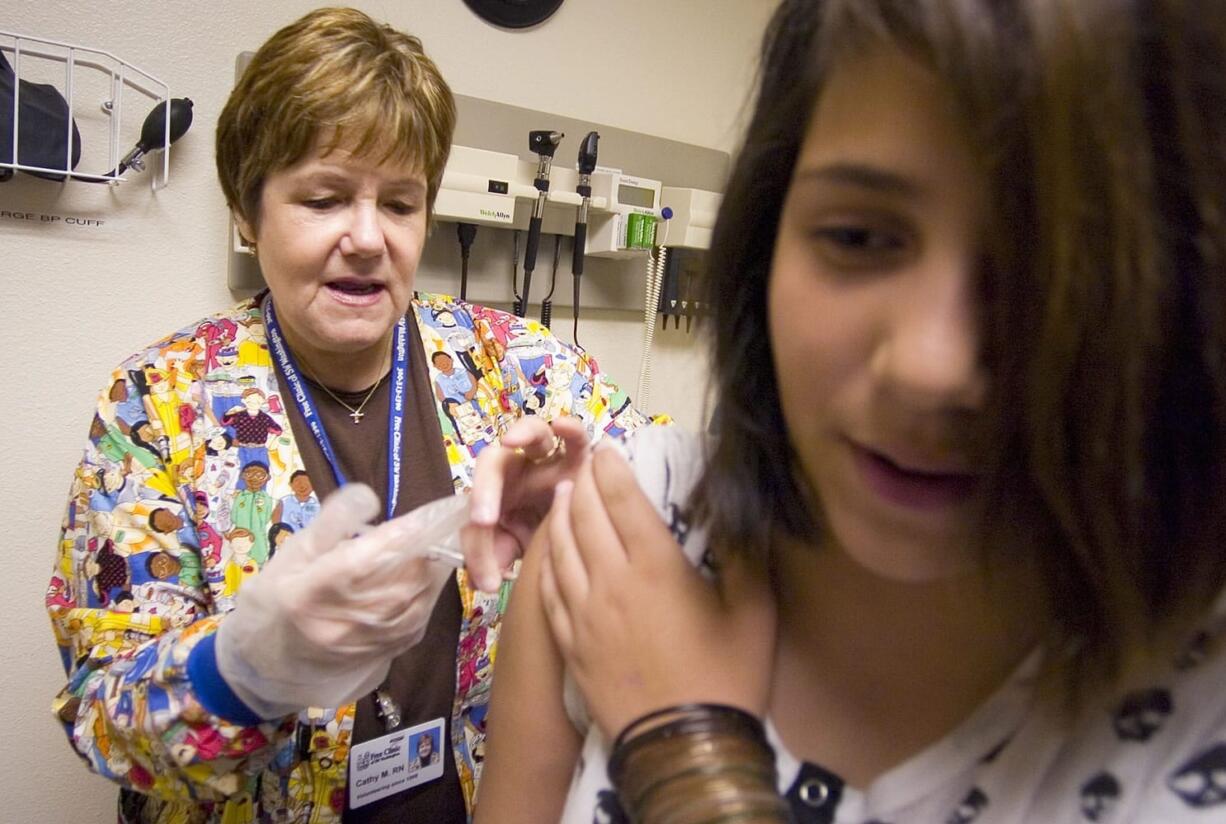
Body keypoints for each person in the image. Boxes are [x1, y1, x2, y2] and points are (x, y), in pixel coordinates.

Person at [466, 0, 1226, 821]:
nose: (933, 369)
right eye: (859, 237)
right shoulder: (625, 542)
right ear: (767, 236)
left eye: (1048, 263)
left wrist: (688, 757)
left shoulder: (1193, 688)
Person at [46, 8, 648, 823]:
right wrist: (243, 670)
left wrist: (610, 504)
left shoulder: (520, 368)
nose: (368, 239)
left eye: (399, 204)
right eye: (325, 199)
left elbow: (707, 509)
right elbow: (101, 716)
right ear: (246, 213)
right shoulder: (159, 400)